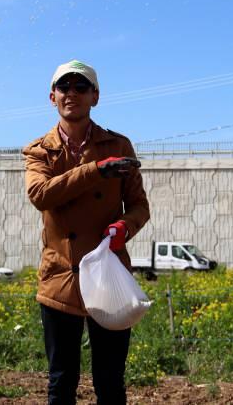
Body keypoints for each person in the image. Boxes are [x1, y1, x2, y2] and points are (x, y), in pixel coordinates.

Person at [22, 59, 150, 404]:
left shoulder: (119, 146)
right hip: (60, 278)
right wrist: (96, 170)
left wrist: (126, 226)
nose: (72, 94)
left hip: (108, 275)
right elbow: (40, 195)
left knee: (110, 381)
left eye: (81, 87)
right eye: (64, 87)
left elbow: (140, 205)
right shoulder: (39, 150)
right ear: (52, 97)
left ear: (95, 96)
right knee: (61, 381)